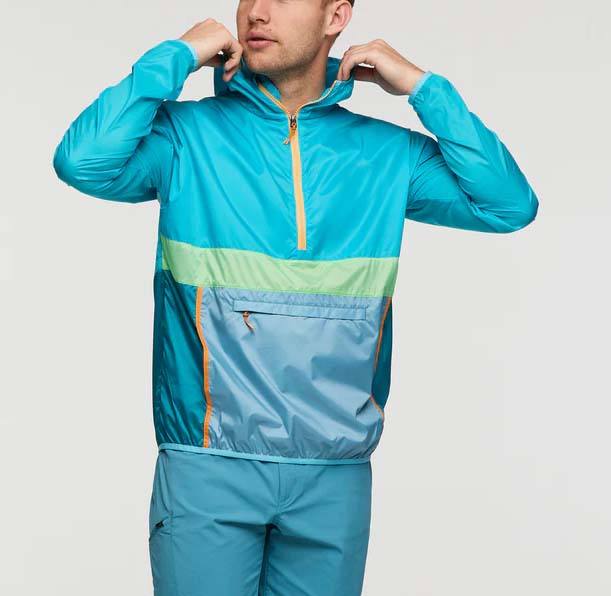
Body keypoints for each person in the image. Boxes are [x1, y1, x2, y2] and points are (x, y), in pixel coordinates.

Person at [52, 1, 539, 594]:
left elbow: (508, 204)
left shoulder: (387, 153)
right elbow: (83, 162)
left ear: (336, 16)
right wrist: (175, 55)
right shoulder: (185, 137)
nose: (257, 12)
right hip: (208, 465)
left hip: (335, 477)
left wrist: (423, 88)